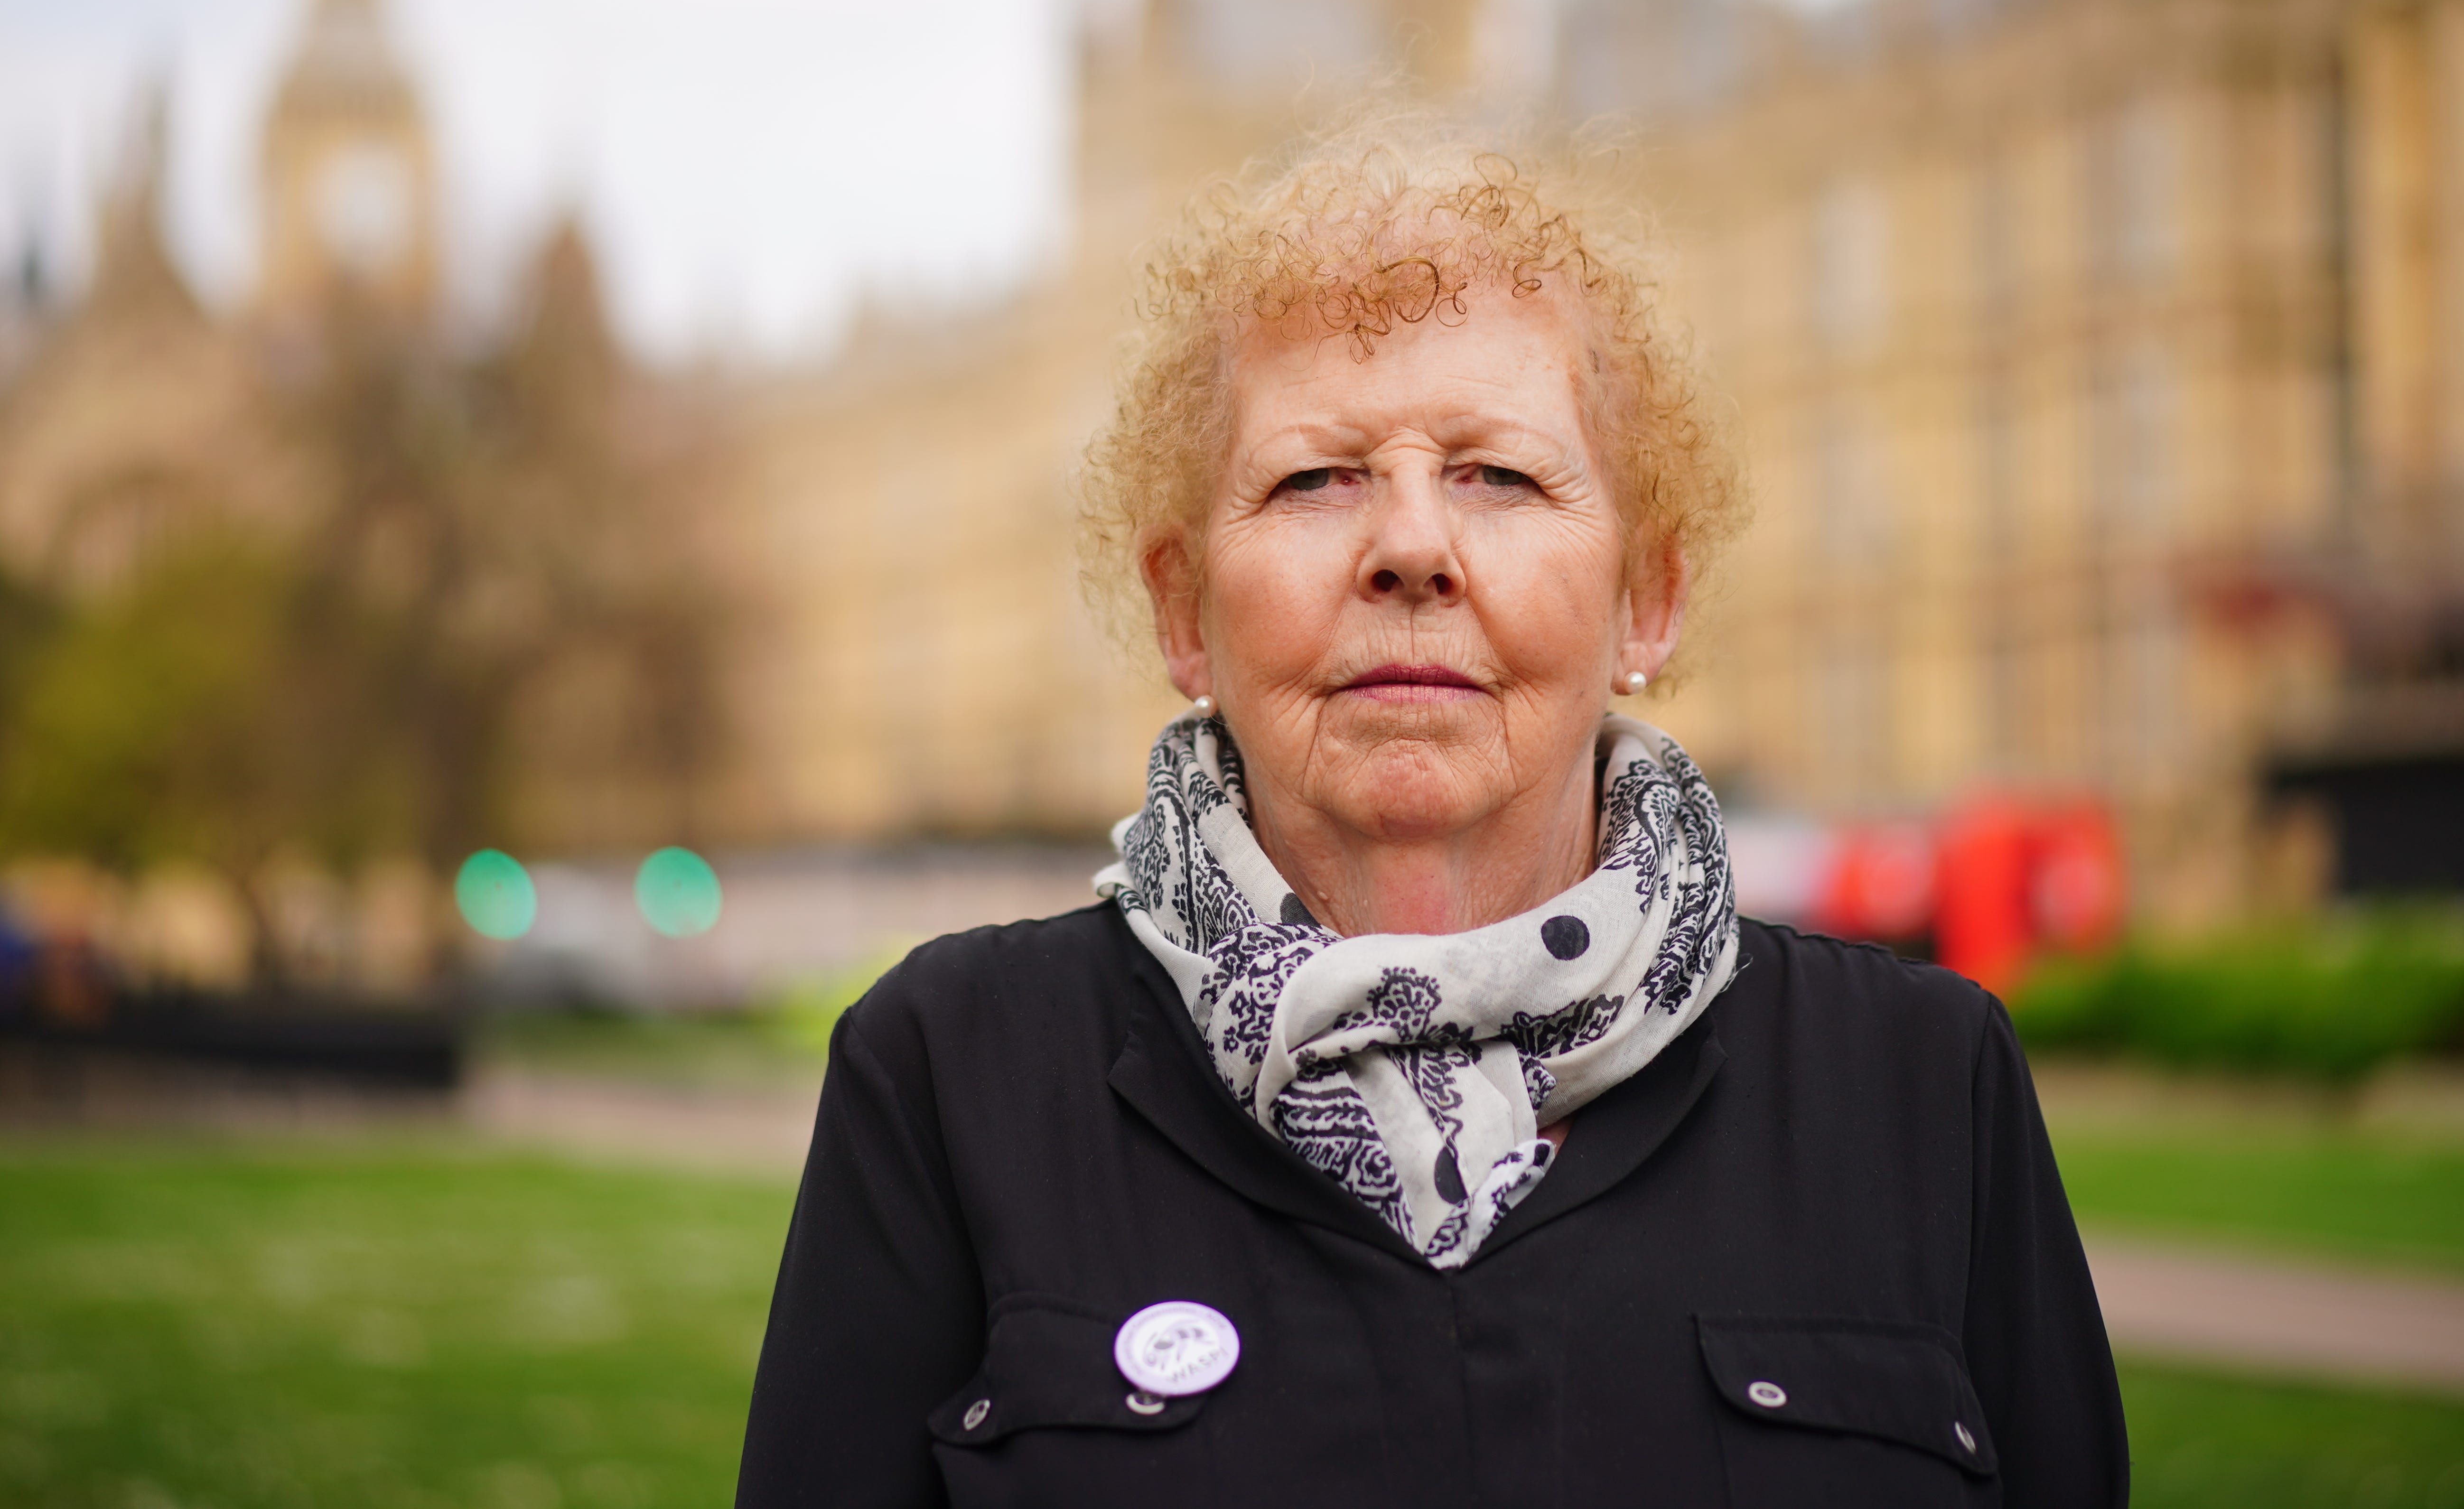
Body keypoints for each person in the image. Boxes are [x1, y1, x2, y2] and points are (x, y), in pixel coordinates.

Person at [736, 121, 2127, 1507]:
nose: (1409, 546)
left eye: (1498, 475)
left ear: (1645, 597)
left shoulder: (1916, 1087)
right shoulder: (952, 1074)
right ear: (1183, 610)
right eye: (1314, 478)